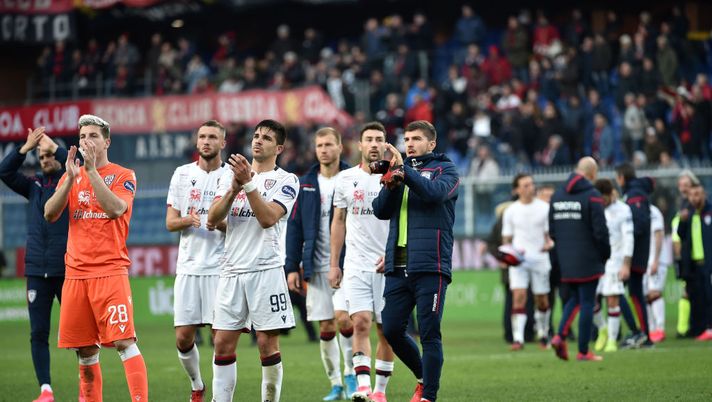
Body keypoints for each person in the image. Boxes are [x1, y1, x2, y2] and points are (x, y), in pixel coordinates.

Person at [43, 114, 148, 401]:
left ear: (107, 141)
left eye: (93, 136)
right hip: (76, 274)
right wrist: (69, 180)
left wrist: (91, 173)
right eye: (82, 136)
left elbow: (115, 209)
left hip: (110, 271)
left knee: (124, 341)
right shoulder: (70, 176)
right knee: (86, 351)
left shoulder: (124, 175)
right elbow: (50, 214)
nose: (86, 141)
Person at [207, 119, 299, 402]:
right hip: (232, 270)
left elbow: (268, 218)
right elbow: (212, 219)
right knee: (221, 343)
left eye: (267, 138)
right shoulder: (229, 175)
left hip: (266, 270)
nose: (258, 140)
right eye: (256, 136)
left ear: (279, 148)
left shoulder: (288, 180)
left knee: (266, 344)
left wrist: (247, 184)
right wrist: (234, 188)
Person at [374, 120, 460, 402]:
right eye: (407, 138)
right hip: (397, 265)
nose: (409, 143)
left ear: (431, 144)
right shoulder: (401, 171)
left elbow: (434, 194)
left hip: (430, 264)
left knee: (429, 334)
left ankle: (428, 397)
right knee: (391, 328)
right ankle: (424, 376)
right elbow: (380, 211)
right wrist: (390, 183)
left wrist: (403, 171)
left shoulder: (446, 170)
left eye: (416, 139)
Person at [284, 127, 358, 400]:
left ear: (340, 147)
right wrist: (292, 266)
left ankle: (351, 374)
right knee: (326, 326)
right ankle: (335, 382)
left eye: (329, 144)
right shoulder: (305, 183)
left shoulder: (353, 179)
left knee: (344, 319)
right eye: (319, 145)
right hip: (315, 267)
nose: (324, 149)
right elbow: (295, 227)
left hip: (349, 264)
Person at [328, 122, 395, 402]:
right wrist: (334, 263)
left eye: (379, 139)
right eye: (369, 139)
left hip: (388, 265)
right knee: (361, 323)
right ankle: (363, 386)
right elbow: (339, 221)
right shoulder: (345, 179)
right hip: (356, 264)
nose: (374, 144)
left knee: (387, 330)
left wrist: (393, 255)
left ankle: (380, 391)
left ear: (386, 145)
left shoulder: (396, 178)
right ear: (360, 145)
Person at [0, 127, 67, 402]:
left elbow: (85, 167)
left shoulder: (71, 181)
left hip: (66, 269)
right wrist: (25, 148)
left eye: (48, 154)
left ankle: (87, 382)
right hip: (37, 271)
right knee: (38, 332)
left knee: (80, 333)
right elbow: (4, 172)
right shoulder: (33, 186)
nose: (44, 159)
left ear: (59, 157)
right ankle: (46, 390)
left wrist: (54, 146)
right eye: (40, 156)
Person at [165, 120, 228, 401]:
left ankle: (219, 395)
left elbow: (241, 224)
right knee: (183, 337)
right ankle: (197, 384)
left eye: (212, 137)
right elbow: (170, 223)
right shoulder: (181, 174)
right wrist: (186, 220)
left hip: (222, 268)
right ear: (196, 141)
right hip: (189, 267)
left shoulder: (232, 176)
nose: (206, 141)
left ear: (222, 143)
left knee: (221, 339)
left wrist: (220, 223)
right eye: (202, 136)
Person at [549, 157, 610, 362]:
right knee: (586, 302)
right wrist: (604, 254)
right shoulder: (592, 196)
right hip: (588, 258)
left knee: (574, 299)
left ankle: (559, 336)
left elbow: (552, 231)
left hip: (565, 258)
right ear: (592, 173)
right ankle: (583, 351)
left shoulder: (557, 195)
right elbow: (600, 231)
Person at [501, 173, 553, 350]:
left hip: (539, 258)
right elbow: (507, 239)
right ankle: (518, 339)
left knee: (542, 300)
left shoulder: (544, 208)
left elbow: (550, 236)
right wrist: (507, 256)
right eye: (525, 185)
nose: (530, 187)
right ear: (517, 190)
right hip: (519, 261)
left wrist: (549, 244)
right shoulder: (511, 211)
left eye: (531, 184)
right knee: (519, 296)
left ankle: (544, 334)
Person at [615, 162, 655, 348]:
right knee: (628, 293)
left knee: (629, 294)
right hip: (635, 253)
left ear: (622, 177)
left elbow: (638, 224)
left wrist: (624, 239)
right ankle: (640, 333)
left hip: (635, 254)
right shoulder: (634, 193)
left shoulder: (634, 195)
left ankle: (642, 334)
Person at [592, 179, 634, 353]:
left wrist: (626, 264)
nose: (602, 202)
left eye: (604, 198)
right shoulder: (593, 208)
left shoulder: (623, 210)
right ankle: (602, 328)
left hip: (615, 262)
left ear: (610, 194)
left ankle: (611, 339)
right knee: (591, 300)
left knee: (612, 300)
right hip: (594, 261)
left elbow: (628, 239)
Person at [675, 183, 712, 341]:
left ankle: (710, 328)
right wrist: (682, 222)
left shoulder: (709, 212)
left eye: (698, 194)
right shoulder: (687, 215)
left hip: (709, 263)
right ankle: (698, 328)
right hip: (694, 264)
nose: (695, 198)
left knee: (709, 296)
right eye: (692, 195)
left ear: (704, 195)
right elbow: (680, 236)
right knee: (697, 298)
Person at [645, 204, 667, 342]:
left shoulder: (653, 211)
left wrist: (656, 260)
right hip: (644, 260)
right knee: (646, 296)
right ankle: (651, 329)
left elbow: (659, 234)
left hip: (655, 260)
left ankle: (660, 328)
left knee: (655, 293)